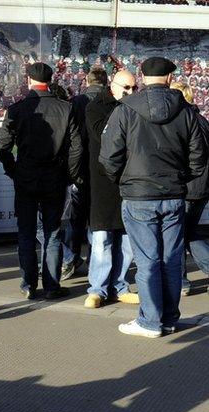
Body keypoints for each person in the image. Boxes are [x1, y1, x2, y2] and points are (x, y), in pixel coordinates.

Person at [100, 57, 207, 338]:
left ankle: (150, 320)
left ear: (142, 77)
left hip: (138, 196)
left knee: (148, 259)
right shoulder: (186, 112)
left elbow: (109, 157)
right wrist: (179, 178)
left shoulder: (124, 111)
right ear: (170, 78)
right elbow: (199, 157)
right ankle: (168, 317)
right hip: (172, 194)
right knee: (171, 258)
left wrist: (125, 180)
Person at [0, 62, 83, 300]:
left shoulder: (16, 110)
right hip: (54, 177)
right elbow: (77, 147)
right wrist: (69, 174)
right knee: (52, 233)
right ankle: (51, 285)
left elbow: (3, 149)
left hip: (26, 177)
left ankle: (28, 283)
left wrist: (14, 171)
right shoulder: (66, 109)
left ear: (29, 81)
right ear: (51, 80)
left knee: (25, 232)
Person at [83, 70, 139, 309]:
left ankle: (119, 285)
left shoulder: (133, 108)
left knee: (127, 240)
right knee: (102, 238)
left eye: (133, 89)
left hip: (129, 181)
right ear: (112, 86)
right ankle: (98, 288)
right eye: (126, 88)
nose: (130, 93)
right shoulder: (95, 107)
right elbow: (106, 137)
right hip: (103, 183)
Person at [62, 68, 109, 280]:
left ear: (86, 81)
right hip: (103, 169)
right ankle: (94, 260)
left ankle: (70, 257)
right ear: (105, 82)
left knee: (76, 217)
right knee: (97, 219)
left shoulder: (77, 102)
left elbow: (72, 138)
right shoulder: (110, 101)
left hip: (80, 168)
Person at [170, 82, 209, 296]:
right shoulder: (201, 120)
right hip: (201, 187)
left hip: (186, 185)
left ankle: (181, 281)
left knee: (178, 235)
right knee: (189, 233)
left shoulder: (183, 121)